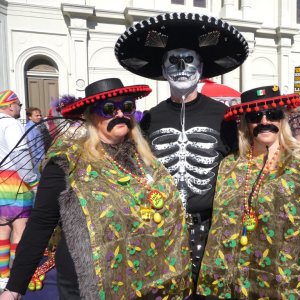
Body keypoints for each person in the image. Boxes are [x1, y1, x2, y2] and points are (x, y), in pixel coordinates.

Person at [0, 78, 192, 299]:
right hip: (87, 283)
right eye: (109, 109)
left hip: (142, 279)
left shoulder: (144, 158)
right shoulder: (67, 162)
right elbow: (41, 223)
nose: (120, 114)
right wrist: (14, 288)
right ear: (91, 115)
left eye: (127, 106)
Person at [115, 12, 248, 293]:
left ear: (201, 67)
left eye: (189, 60)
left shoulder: (225, 116)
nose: (181, 67)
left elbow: (243, 168)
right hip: (162, 230)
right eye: (173, 61)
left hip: (213, 232)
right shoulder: (149, 119)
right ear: (163, 70)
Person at [197, 86, 300, 299]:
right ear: (245, 123)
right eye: (254, 116)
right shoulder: (229, 167)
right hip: (236, 285)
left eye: (272, 114)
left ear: (283, 119)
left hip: (287, 285)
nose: (263, 121)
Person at [0, 90, 38, 290]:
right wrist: (32, 181)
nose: (20, 109)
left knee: (2, 230)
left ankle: (2, 276)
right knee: (19, 229)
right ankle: (16, 277)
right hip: (14, 181)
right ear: (11, 105)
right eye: (19, 105)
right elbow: (20, 154)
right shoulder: (11, 124)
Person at [25, 107, 50, 178]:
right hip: (36, 160)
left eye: (40, 115)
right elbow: (31, 145)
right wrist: (34, 160)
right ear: (30, 117)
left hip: (41, 157)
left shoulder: (38, 126)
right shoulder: (30, 128)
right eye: (36, 116)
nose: (39, 117)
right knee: (39, 179)